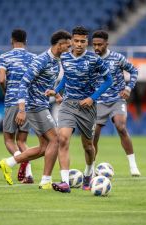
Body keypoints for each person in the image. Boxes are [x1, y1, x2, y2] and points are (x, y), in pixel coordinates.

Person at [0, 30, 72, 189]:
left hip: (42, 104)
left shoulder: (57, 60)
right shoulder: (41, 60)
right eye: (68, 46)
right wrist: (22, 109)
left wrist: (56, 94)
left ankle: (8, 162)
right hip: (34, 106)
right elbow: (24, 83)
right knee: (56, 139)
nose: (70, 48)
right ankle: (45, 180)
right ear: (60, 45)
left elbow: (46, 82)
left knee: (45, 147)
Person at [49, 26, 113, 193]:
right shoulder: (65, 58)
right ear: (71, 41)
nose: (78, 44)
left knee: (88, 146)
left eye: (82, 41)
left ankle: (88, 172)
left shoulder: (95, 60)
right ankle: (64, 182)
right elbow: (66, 79)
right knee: (62, 138)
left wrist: (93, 97)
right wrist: (56, 91)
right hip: (68, 104)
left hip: (87, 107)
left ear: (87, 42)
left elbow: (109, 80)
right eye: (76, 41)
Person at [92, 30, 141, 176]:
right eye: (94, 44)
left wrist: (128, 88)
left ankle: (133, 165)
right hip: (98, 101)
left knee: (121, 126)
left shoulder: (117, 58)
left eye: (99, 45)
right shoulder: (90, 59)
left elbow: (134, 71)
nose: (96, 48)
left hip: (116, 99)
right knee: (94, 134)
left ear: (107, 44)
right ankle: (90, 168)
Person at [0, 29, 35, 183]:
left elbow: (1, 80)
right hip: (28, 103)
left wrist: (6, 91)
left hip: (12, 100)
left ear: (11, 40)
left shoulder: (4, 57)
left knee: (8, 140)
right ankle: (29, 175)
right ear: (25, 41)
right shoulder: (34, 58)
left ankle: (20, 160)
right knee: (22, 141)